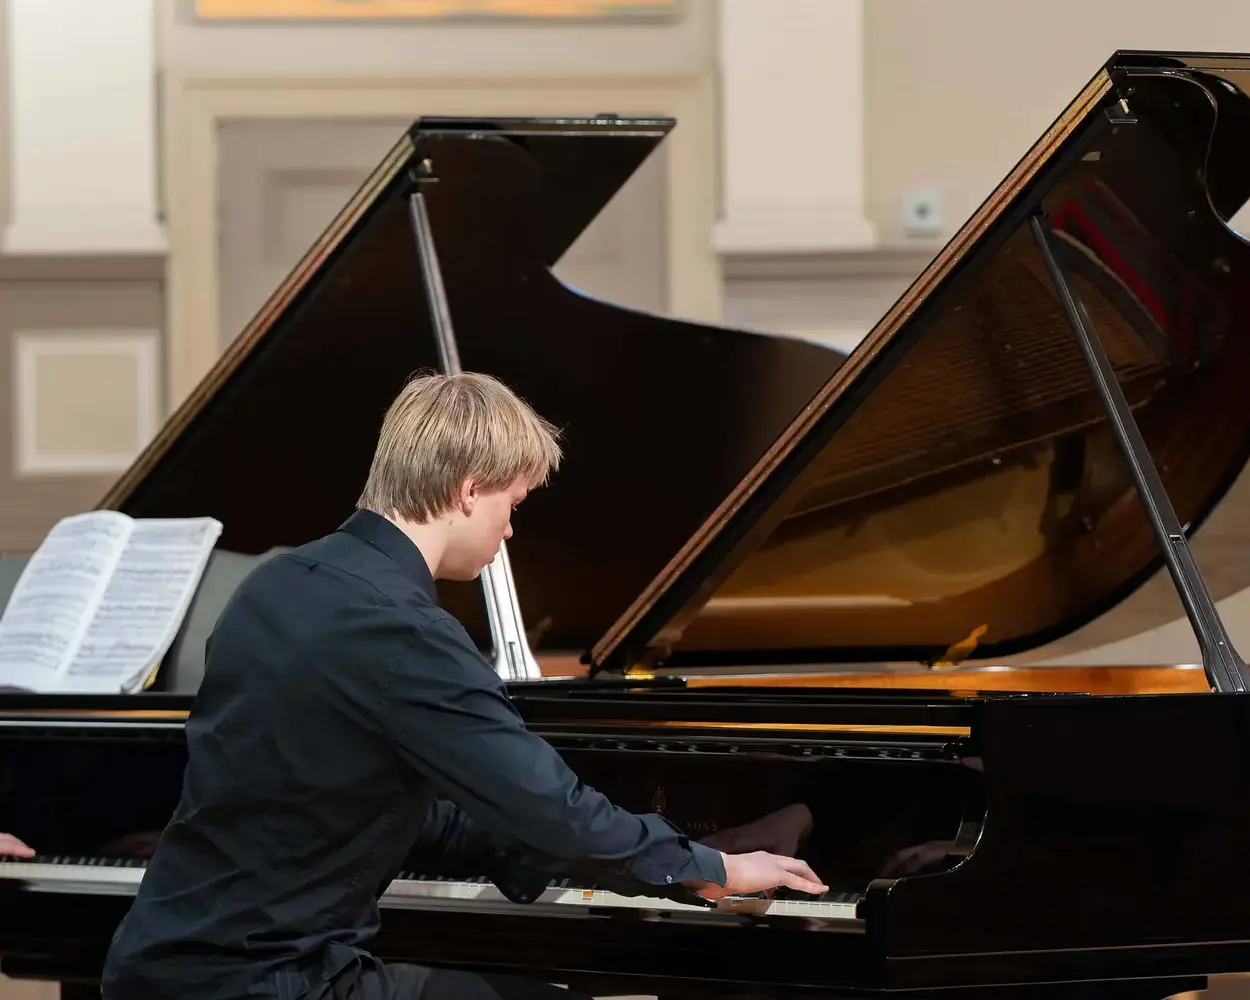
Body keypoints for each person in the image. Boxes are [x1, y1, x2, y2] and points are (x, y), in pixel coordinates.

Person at [100, 371, 827, 1000]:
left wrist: (533, 854)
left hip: (156, 961)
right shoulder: (404, 633)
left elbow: (375, 805)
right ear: (469, 490)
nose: (510, 531)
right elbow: (551, 805)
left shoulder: (278, 585)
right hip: (276, 982)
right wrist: (712, 866)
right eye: (513, 504)